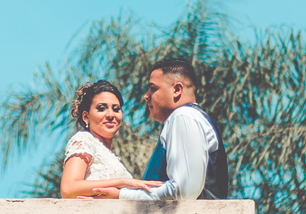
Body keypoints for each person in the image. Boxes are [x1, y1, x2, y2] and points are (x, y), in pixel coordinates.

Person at [97, 59, 228, 200]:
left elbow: (183, 190)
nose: (146, 96)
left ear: (177, 90)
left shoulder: (183, 116)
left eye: (153, 88)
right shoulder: (187, 117)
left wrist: (120, 195)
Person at [59, 80, 162, 198]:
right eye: (102, 108)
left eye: (116, 109)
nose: (110, 115)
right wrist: (122, 182)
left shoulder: (111, 155)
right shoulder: (84, 139)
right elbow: (68, 188)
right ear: (86, 116)